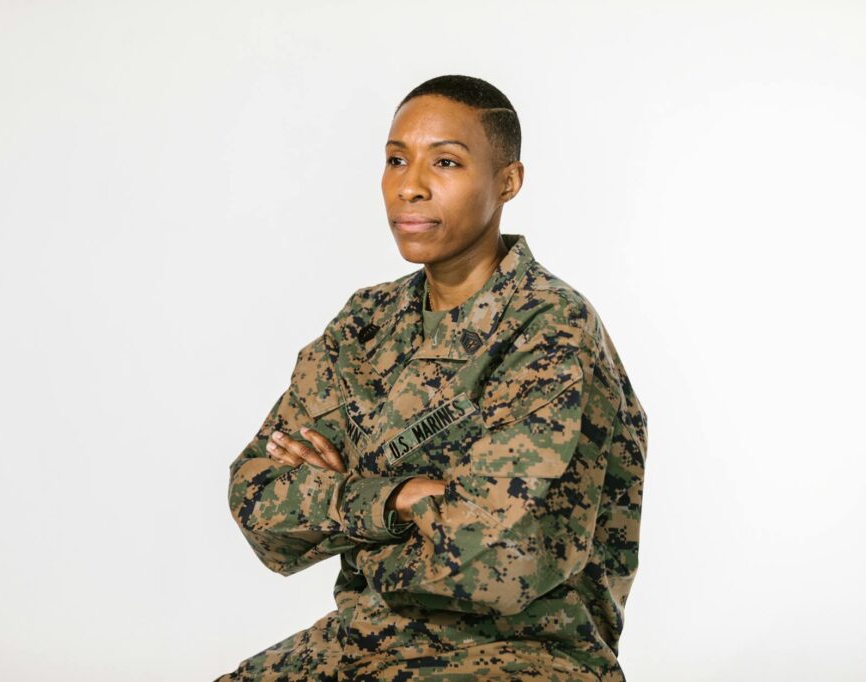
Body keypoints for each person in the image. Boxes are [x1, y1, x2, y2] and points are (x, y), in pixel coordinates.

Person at [216, 75, 648, 682]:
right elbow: (256, 498)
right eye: (396, 160)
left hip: (522, 655)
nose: (410, 186)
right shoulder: (365, 324)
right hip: (365, 638)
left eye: (445, 162)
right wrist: (397, 498)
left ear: (508, 181)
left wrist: (344, 503)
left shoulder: (549, 328)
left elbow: (498, 564)